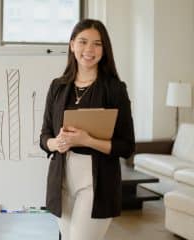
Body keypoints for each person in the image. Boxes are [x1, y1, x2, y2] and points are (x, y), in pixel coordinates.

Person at [40, 19, 135, 240]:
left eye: (97, 44)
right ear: (72, 45)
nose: (89, 50)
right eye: (83, 42)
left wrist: (87, 140)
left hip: (97, 184)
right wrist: (56, 143)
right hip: (60, 182)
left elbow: (127, 146)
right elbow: (44, 136)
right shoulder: (57, 86)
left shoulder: (115, 90)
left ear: (105, 49)